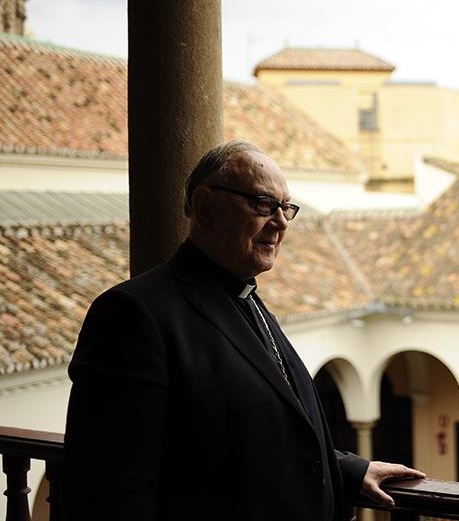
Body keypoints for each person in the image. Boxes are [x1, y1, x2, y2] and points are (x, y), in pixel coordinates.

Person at [64, 140, 423, 521]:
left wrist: (349, 470)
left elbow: (243, 430)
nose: (281, 222)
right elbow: (112, 489)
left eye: (286, 208)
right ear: (205, 208)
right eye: (263, 205)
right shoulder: (133, 315)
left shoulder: (245, 297)